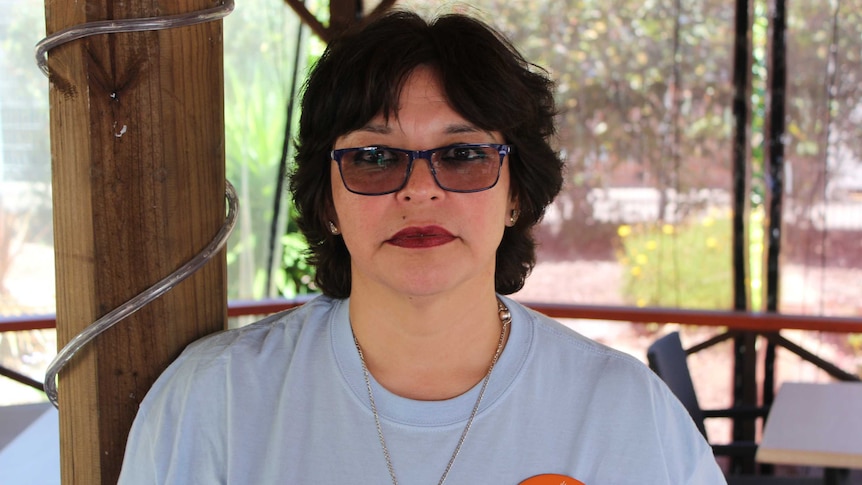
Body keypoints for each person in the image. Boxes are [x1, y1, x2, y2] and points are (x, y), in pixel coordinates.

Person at [119, 9, 726, 484]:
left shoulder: (623, 413)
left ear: (515, 195)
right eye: (374, 158)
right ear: (327, 201)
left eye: (462, 156)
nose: (419, 191)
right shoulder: (216, 400)